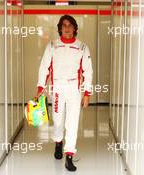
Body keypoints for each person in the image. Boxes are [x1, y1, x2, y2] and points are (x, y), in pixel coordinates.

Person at [35, 14, 93, 172]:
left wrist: (87, 93)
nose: (67, 28)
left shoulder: (82, 47)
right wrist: (41, 88)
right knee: (58, 122)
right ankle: (58, 142)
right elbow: (44, 68)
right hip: (57, 89)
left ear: (75, 28)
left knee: (72, 123)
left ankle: (69, 155)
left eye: (70, 25)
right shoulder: (52, 45)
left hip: (74, 89)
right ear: (60, 28)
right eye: (64, 25)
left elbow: (88, 71)